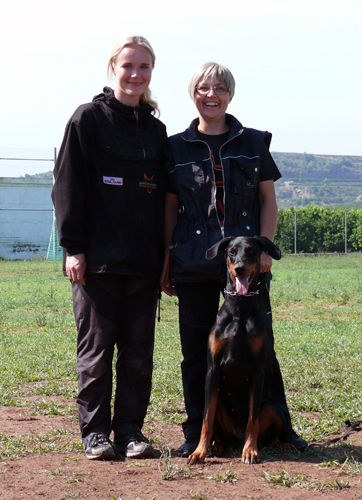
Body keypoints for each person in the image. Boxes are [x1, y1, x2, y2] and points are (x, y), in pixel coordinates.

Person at [163, 62, 308, 457]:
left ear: (230, 94)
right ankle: (197, 433)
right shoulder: (175, 146)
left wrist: (264, 253)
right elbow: (170, 210)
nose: (211, 95)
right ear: (193, 93)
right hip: (194, 262)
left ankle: (284, 429)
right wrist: (166, 261)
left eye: (220, 88)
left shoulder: (253, 142)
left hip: (246, 261)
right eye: (204, 88)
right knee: (196, 352)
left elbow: (268, 200)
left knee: (264, 352)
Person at [52, 36, 168, 460]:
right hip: (95, 262)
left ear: (151, 73)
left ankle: (131, 432)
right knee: (97, 354)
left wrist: (165, 257)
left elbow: (165, 200)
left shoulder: (156, 131)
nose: (135, 74)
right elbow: (67, 187)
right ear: (113, 68)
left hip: (142, 263)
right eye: (128, 66)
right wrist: (73, 247)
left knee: (138, 356)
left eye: (144, 67)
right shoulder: (87, 119)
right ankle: (95, 433)